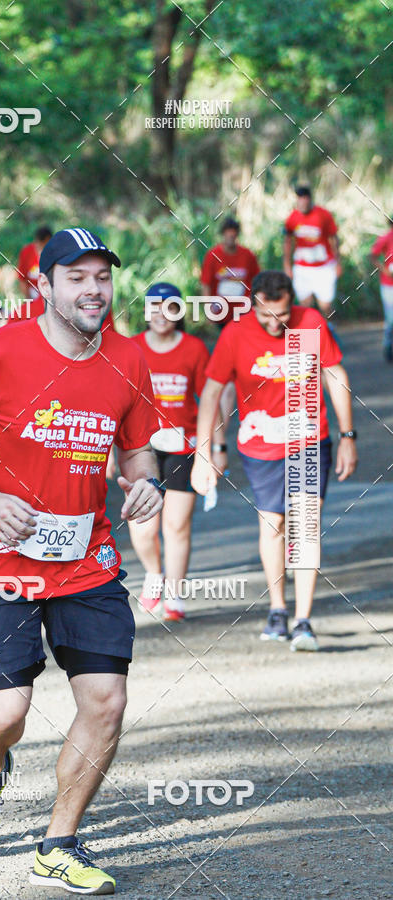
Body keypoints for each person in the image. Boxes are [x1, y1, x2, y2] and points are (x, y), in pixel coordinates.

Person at [0, 227, 162, 894]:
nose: (93, 289)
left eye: (102, 277)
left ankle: (58, 844)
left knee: (106, 701)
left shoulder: (128, 358)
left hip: (85, 558)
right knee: (4, 713)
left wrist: (146, 481)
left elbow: (138, 449)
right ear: (43, 285)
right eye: (77, 277)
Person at [191, 270, 357, 652]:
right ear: (253, 305)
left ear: (291, 304)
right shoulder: (236, 333)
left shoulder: (308, 322)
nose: (274, 324)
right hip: (261, 444)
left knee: (304, 525)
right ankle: (278, 608)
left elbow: (334, 374)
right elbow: (213, 391)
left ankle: (302, 620)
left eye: (281, 315)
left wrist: (348, 436)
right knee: (274, 524)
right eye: (265, 316)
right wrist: (205, 453)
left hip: (308, 438)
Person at [129, 282, 217, 621]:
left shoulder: (194, 349)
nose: (162, 314)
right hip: (141, 446)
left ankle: (175, 593)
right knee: (144, 525)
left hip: (183, 443)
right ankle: (154, 574)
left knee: (177, 525)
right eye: (154, 306)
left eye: (170, 307)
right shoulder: (131, 348)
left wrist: (213, 450)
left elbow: (210, 399)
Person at [200, 217, 259, 437]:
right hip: (222, 312)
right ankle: (228, 377)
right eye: (227, 232)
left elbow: (255, 282)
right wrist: (207, 307)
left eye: (234, 232)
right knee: (226, 347)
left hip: (243, 311)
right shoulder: (213, 255)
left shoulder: (247, 256)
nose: (231, 236)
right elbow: (206, 282)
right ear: (222, 234)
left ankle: (241, 378)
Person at [283, 185, 341, 319]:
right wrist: (287, 265)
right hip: (302, 267)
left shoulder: (323, 215)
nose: (302, 202)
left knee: (325, 306)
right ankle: (309, 336)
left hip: (323, 267)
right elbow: (288, 241)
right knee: (305, 305)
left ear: (309, 199)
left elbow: (334, 238)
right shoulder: (293, 217)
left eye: (304, 198)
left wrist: (338, 263)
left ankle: (328, 330)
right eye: (299, 199)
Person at [14, 225, 52, 319]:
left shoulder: (53, 252)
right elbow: (22, 279)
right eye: (41, 244)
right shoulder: (27, 252)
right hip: (32, 296)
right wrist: (29, 300)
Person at [369, 216, 393, 362]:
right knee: (391, 318)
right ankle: (388, 346)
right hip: (389, 284)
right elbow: (373, 256)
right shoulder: (386, 238)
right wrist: (385, 270)